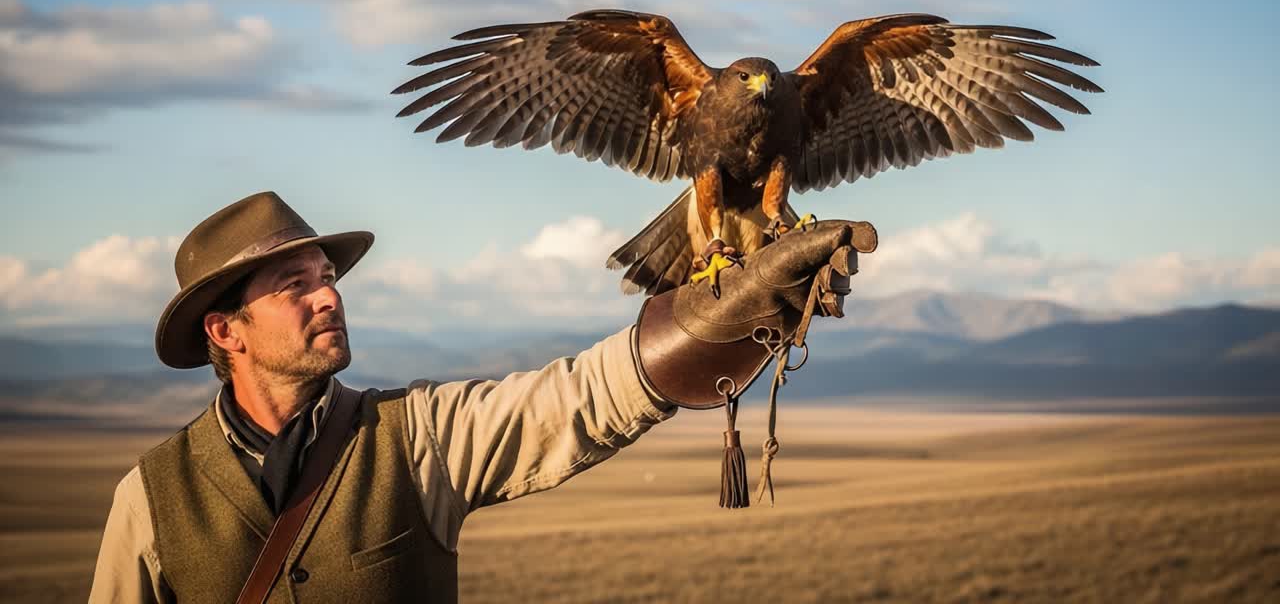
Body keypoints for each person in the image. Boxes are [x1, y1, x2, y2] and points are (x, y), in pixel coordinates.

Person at [88, 191, 866, 603]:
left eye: (329, 278)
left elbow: (579, 400)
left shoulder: (415, 436)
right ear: (226, 333)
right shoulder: (150, 500)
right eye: (296, 286)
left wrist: (711, 323)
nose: (329, 298)